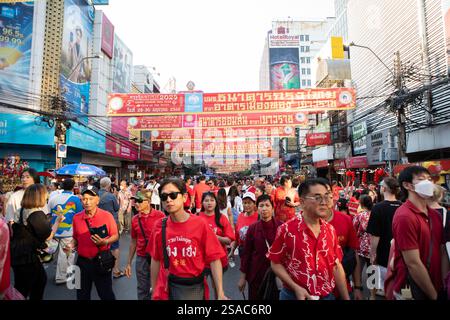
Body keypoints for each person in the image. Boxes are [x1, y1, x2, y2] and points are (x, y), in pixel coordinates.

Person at [267, 179, 350, 300]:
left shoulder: (330, 230)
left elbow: (336, 266)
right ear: (302, 201)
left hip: (326, 295)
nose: (324, 202)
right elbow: (275, 262)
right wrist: (295, 287)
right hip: (294, 296)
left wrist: (346, 297)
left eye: (326, 197)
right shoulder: (286, 230)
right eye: (317, 198)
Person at [149, 178, 229, 300]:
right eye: (164, 196)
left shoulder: (200, 224)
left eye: (173, 195)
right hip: (167, 289)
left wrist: (220, 293)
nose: (168, 200)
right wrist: (154, 291)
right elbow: (155, 260)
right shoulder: (159, 226)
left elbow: (214, 259)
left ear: (185, 197)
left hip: (195, 288)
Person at [389, 166, 449, 300]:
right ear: (407, 185)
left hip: (437, 286)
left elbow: (442, 250)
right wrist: (434, 295)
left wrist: (443, 285)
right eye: (421, 179)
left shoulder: (435, 215)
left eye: (429, 179)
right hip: (411, 289)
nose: (428, 183)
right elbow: (413, 263)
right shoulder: (404, 216)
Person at [319, 178, 363, 300]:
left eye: (327, 194)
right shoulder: (297, 226)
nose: (323, 200)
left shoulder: (345, 220)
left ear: (333, 196)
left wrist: (358, 287)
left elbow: (353, 255)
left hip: (342, 288)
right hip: (314, 292)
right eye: (317, 196)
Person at [72, 187, 118, 300]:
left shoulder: (107, 216)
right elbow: (75, 238)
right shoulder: (76, 218)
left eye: (90, 199)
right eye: (84, 199)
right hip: (82, 262)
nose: (87, 202)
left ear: (97, 201)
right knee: (81, 295)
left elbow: (115, 236)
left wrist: (105, 241)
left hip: (102, 261)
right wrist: (70, 245)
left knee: (106, 294)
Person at [11, 184, 52, 300]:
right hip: (28, 256)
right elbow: (47, 236)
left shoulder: (21, 210)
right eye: (45, 195)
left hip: (18, 253)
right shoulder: (35, 213)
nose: (46, 197)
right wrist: (58, 222)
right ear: (39, 197)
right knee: (36, 285)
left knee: (22, 287)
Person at [238, 194, 283, 300]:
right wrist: (242, 278)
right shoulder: (252, 228)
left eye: (267, 205)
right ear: (257, 208)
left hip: (277, 273)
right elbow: (247, 254)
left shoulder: (281, 226)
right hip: (256, 274)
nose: (264, 209)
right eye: (261, 206)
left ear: (272, 207)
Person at [125, 190, 165, 300]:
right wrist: (128, 263)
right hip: (142, 258)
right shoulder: (134, 219)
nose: (136, 203)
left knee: (159, 287)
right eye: (135, 201)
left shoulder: (160, 216)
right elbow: (133, 241)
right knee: (142, 289)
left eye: (139, 201)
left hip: (157, 258)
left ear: (149, 202)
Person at [366, 177, 402, 297]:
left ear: (384, 188)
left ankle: (372, 296)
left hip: (382, 252)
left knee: (375, 276)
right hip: (400, 251)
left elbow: (375, 235)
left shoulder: (378, 208)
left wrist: (372, 253)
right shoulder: (402, 206)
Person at [47, 178, 84, 284]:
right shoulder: (75, 199)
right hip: (68, 231)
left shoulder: (53, 197)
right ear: (73, 187)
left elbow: (49, 214)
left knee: (57, 253)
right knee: (67, 254)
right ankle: (63, 276)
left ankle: (61, 274)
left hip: (54, 230)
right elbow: (80, 214)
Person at [199, 191, 235, 299]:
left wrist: (215, 237)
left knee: (217, 289)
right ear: (202, 203)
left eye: (212, 200)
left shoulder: (222, 218)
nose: (209, 203)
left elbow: (229, 240)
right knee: (201, 289)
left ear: (216, 202)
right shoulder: (197, 217)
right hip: (201, 261)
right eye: (206, 200)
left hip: (219, 260)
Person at [98, 177, 123, 278]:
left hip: (98, 225)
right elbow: (117, 208)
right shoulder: (111, 196)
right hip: (111, 224)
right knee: (114, 247)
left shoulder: (94, 195)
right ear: (109, 185)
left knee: (99, 246)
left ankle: (100, 268)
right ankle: (115, 270)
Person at [353, 194, 374, 299]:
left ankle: (358, 287)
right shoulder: (375, 214)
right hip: (373, 245)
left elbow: (354, 230)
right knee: (372, 269)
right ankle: (372, 294)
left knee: (358, 269)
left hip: (361, 245)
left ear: (361, 204)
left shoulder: (360, 215)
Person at [230, 192, 259, 259]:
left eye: (249, 203)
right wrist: (232, 251)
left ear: (254, 204)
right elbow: (237, 237)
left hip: (255, 251)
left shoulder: (259, 217)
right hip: (242, 250)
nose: (246, 205)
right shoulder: (240, 216)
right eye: (244, 203)